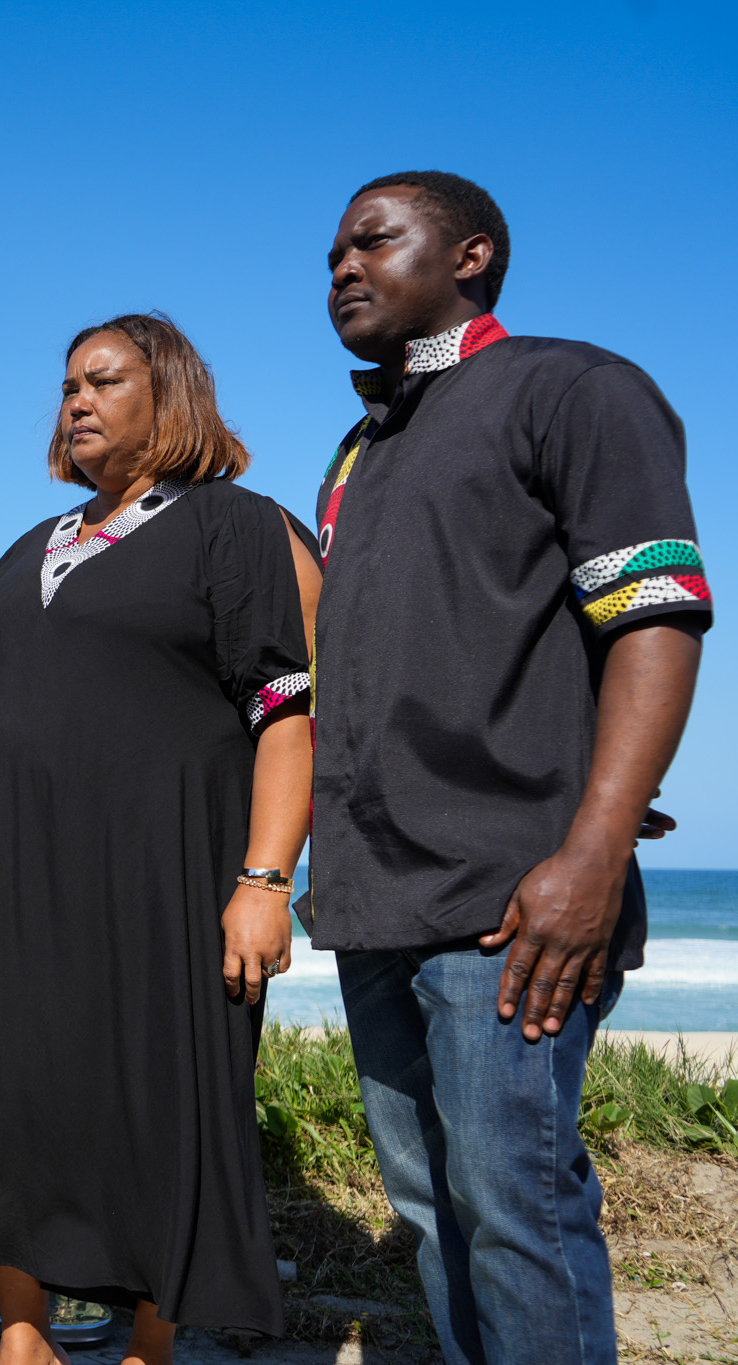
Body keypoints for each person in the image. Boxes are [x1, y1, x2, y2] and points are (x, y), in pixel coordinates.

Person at [0, 314, 320, 1365]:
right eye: (67, 387)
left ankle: (151, 1340)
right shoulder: (33, 546)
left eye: (103, 381)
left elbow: (285, 714)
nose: (76, 402)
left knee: (153, 1097)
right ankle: (24, 1330)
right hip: (1, 864)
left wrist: (265, 880)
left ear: (170, 396)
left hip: (157, 868)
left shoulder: (231, 525)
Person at [310, 171, 708, 1365]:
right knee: (432, 1208)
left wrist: (593, 847)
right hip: (373, 896)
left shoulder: (569, 387)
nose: (340, 268)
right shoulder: (359, 448)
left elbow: (654, 615)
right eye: (329, 255)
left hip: (510, 899)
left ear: (470, 254)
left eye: (370, 241)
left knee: (513, 1210)